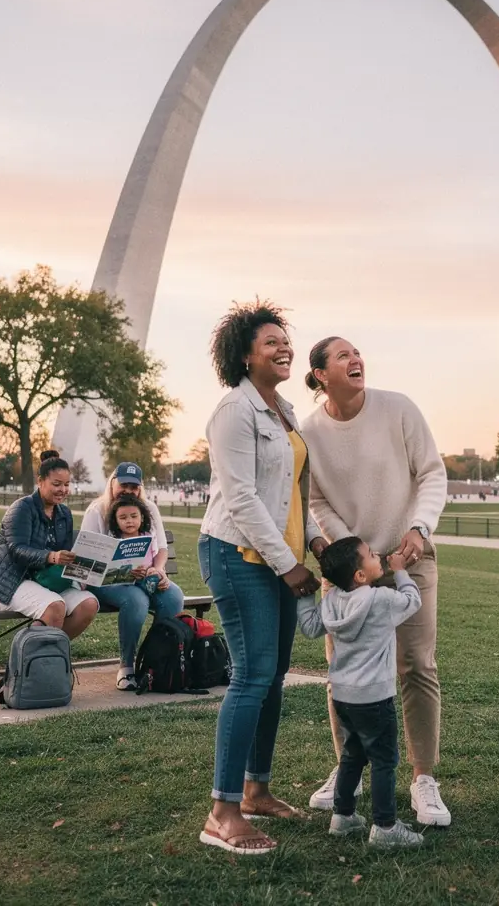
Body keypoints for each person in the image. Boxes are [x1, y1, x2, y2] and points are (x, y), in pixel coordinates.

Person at [301, 336, 450, 827]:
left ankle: (423, 778)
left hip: (409, 560)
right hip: (349, 572)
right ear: (321, 374)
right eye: (342, 355)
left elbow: (431, 474)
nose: (355, 359)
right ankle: (350, 767)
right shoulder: (310, 432)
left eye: (357, 352)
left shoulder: (398, 409)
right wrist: (351, 554)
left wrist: (418, 530)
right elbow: (316, 501)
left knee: (416, 666)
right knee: (343, 671)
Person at [196, 300, 324, 856]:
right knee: (252, 675)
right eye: (270, 341)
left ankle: (256, 790)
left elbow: (295, 495)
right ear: (244, 355)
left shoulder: (285, 411)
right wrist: (290, 564)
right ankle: (222, 812)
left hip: (279, 556)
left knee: (272, 678)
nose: (283, 348)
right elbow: (245, 500)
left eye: (285, 340)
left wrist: (317, 541)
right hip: (236, 553)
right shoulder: (234, 412)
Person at [296, 537, 424, 847]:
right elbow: (412, 600)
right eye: (370, 555)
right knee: (383, 760)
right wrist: (401, 570)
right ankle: (385, 826)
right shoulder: (381, 600)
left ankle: (343, 817)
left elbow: (311, 627)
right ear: (360, 576)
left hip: (343, 696)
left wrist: (305, 596)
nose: (377, 555)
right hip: (375, 698)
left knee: (352, 755)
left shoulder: (335, 600)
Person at [0, 450, 99, 638]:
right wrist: (51, 556)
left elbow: (64, 556)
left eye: (66, 484)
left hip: (45, 581)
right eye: (56, 484)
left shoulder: (64, 514)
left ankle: (52, 656)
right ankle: (28, 661)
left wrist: (85, 567)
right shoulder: (22, 508)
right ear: (40, 481)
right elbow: (17, 550)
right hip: (7, 583)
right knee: (54, 606)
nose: (63, 490)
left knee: (88, 604)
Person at [85, 492, 185, 690]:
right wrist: (125, 571)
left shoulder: (148, 536)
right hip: (115, 584)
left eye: (133, 517)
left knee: (174, 596)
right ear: (115, 521)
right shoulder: (110, 536)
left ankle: (156, 661)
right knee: (137, 601)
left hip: (144, 581)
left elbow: (156, 561)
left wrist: (159, 575)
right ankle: (127, 666)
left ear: (142, 518)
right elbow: (96, 569)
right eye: (123, 518)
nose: (129, 521)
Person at [81, 463, 169, 571]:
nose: (128, 491)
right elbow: (87, 552)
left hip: (148, 574)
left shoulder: (150, 508)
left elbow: (161, 546)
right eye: (123, 485)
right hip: (110, 578)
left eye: (134, 487)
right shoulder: (96, 510)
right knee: (134, 589)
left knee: (174, 589)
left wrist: (159, 570)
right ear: (112, 483)